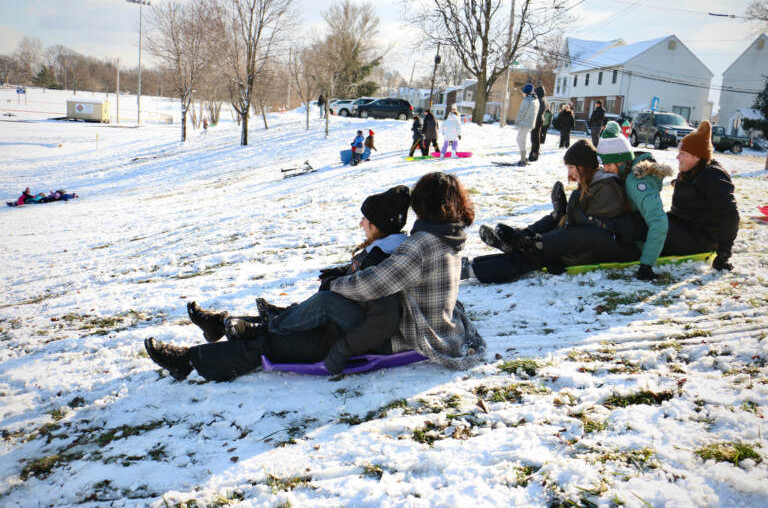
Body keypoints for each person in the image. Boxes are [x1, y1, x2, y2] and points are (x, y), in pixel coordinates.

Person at [144, 185, 414, 381]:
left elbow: (382, 322)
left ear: (380, 225)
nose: (360, 223)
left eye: (366, 219)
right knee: (293, 315)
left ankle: (188, 361)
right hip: (334, 327)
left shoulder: (384, 261)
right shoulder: (380, 252)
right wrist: (340, 275)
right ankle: (221, 325)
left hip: (339, 340)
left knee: (267, 343)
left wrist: (342, 350)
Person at [330, 172, 485, 369]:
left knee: (332, 319)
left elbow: (372, 285)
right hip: (446, 326)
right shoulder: (451, 233)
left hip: (422, 334)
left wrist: (334, 283)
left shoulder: (421, 244)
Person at [464, 140, 638, 283]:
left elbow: (592, 235)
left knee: (531, 257)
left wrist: (561, 257)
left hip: (595, 247)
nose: (569, 173)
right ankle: (521, 239)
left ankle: (476, 267)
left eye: (571, 167)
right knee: (549, 227)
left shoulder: (606, 188)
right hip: (575, 242)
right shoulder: (594, 183)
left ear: (583, 167)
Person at [597, 121, 673, 281]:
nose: (606, 169)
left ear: (620, 160)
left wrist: (646, 265)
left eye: (608, 164)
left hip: (640, 241)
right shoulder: (624, 173)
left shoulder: (635, 183)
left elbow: (659, 222)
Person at [661, 120, 740, 271]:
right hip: (682, 229)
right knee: (648, 219)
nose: (677, 157)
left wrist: (724, 253)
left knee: (650, 226)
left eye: (682, 154)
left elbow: (730, 214)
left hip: (700, 240)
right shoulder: (691, 172)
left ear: (697, 156)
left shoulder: (712, 176)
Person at [514, 84, 539, 166]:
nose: (522, 93)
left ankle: (523, 159)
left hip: (524, 123)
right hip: (531, 124)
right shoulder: (536, 100)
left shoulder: (527, 100)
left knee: (520, 140)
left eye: (523, 92)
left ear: (527, 92)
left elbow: (521, 112)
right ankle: (523, 158)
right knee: (521, 139)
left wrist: (517, 122)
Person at [528, 85, 547, 162]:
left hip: (537, 120)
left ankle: (534, 155)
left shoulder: (539, 99)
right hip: (539, 119)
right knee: (535, 138)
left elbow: (536, 110)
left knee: (535, 138)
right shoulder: (543, 99)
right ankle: (533, 154)